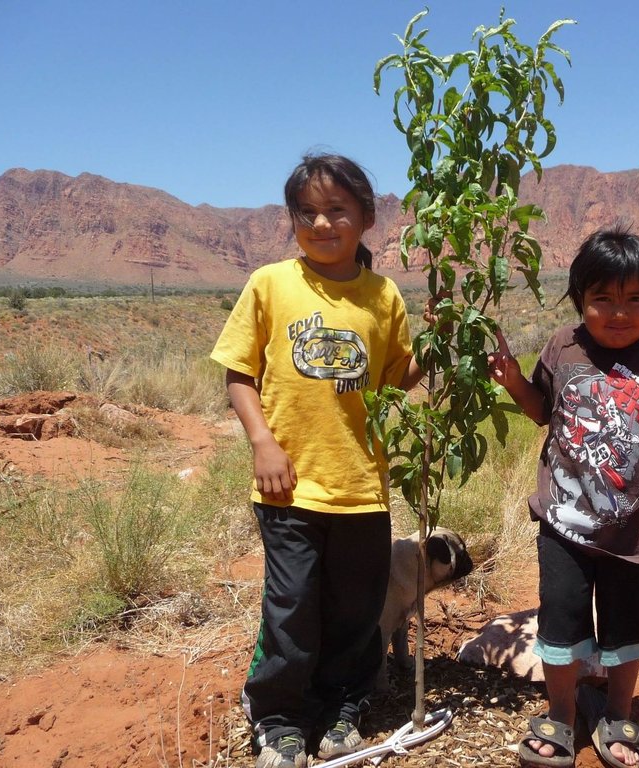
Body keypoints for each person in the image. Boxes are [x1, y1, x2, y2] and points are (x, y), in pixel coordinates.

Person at [210, 153, 424, 768]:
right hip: (288, 487)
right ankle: (277, 717)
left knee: (354, 608)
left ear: (365, 218)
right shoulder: (270, 283)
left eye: (337, 210)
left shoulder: (383, 296)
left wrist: (434, 346)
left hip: (361, 485)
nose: (322, 223)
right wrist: (263, 443)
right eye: (308, 211)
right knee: (292, 606)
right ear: (292, 219)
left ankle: (342, 708)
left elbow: (391, 382)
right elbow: (239, 372)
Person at [488, 228, 639, 768]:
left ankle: (617, 713)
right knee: (561, 623)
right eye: (603, 300)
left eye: (636, 299)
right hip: (564, 524)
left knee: (626, 625)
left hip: (633, 527)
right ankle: (561, 717)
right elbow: (542, 410)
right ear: (580, 300)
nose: (619, 313)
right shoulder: (564, 346)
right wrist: (512, 380)